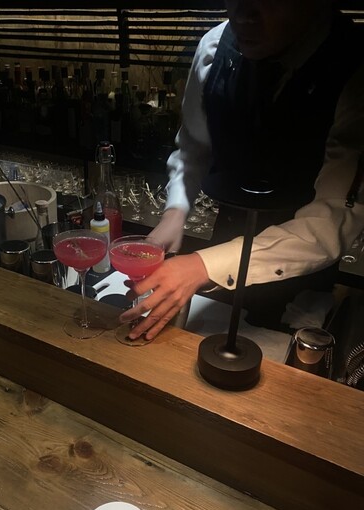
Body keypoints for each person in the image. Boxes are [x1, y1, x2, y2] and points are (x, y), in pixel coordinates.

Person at [120, 0, 364, 341]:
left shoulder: (354, 65)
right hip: (222, 250)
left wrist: (203, 265)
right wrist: (175, 212)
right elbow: (194, 147)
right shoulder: (214, 46)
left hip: (302, 278)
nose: (242, 16)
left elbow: (331, 218)